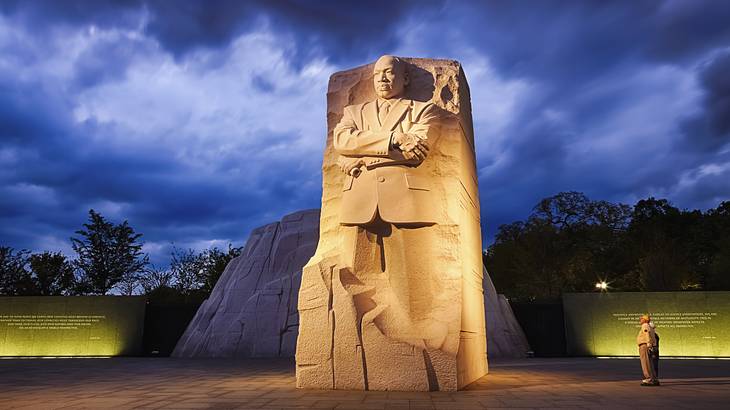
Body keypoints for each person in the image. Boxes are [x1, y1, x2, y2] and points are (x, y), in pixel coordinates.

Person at [332, 55, 447, 349]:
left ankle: (416, 333)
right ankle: (356, 339)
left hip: (406, 200)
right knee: (355, 274)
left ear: (405, 79)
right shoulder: (353, 112)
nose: (383, 78)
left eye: (390, 73)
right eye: (378, 74)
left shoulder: (424, 111)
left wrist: (360, 155)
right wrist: (394, 139)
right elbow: (342, 143)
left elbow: (416, 153)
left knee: (411, 277)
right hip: (359, 200)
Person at [637, 314, 659, 386]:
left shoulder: (645, 325)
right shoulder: (650, 327)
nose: (640, 320)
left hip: (644, 345)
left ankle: (648, 379)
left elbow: (647, 335)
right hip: (648, 345)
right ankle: (654, 379)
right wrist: (653, 345)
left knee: (645, 363)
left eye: (641, 318)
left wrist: (648, 344)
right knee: (650, 363)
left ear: (645, 319)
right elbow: (653, 337)